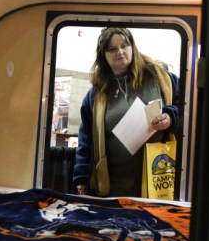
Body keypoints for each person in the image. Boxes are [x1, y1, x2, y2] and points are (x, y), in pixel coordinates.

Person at [72, 27, 180, 197]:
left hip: (158, 178)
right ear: (104, 56)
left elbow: (190, 109)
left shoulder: (161, 77)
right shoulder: (96, 95)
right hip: (113, 184)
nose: (120, 52)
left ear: (133, 47)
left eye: (124, 45)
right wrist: (81, 180)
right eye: (112, 49)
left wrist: (170, 116)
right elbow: (86, 140)